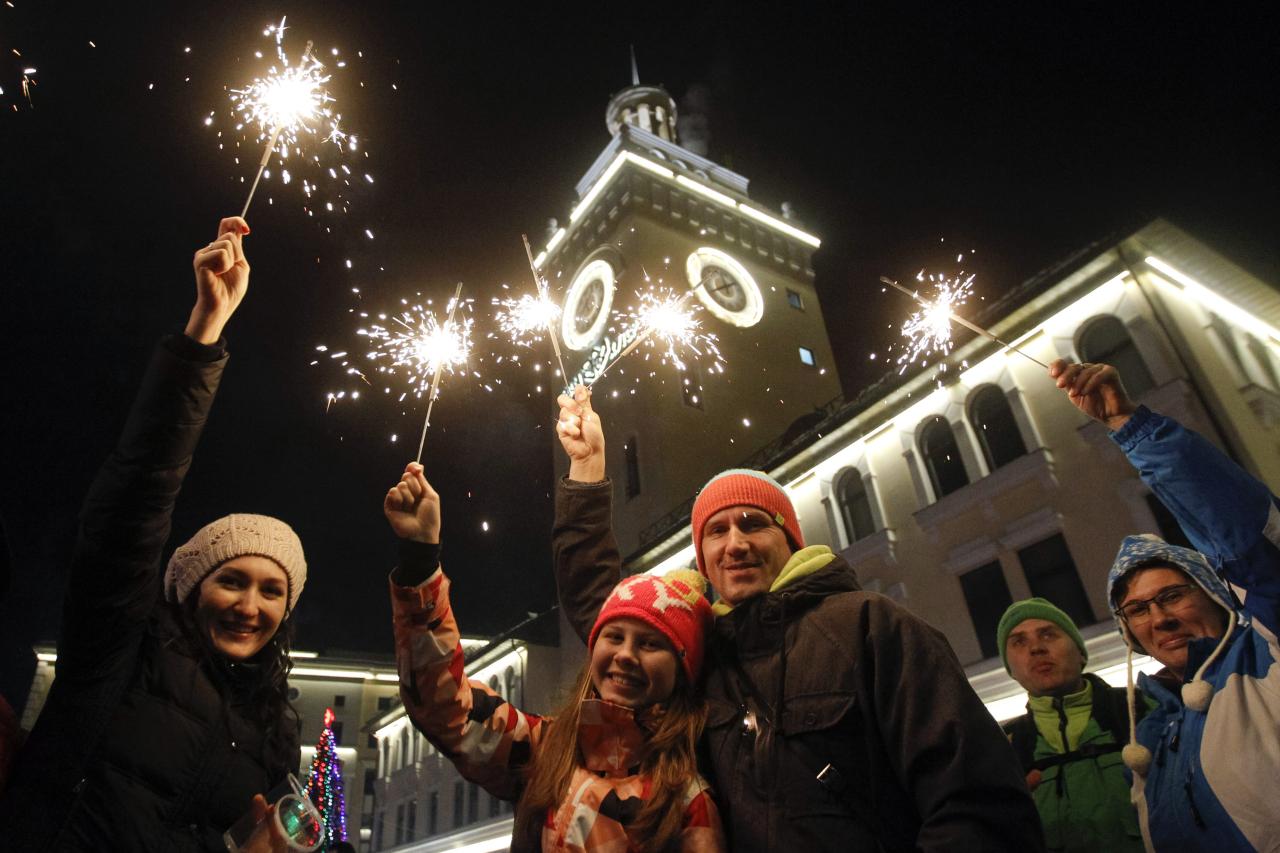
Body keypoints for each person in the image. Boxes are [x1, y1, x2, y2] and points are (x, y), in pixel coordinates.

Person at [552, 387, 1044, 852]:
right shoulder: (703, 655)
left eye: (753, 524)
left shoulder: (871, 626)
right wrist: (588, 471)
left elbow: (976, 799)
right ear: (703, 559)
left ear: (790, 540)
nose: (735, 544)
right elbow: (608, 611)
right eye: (716, 531)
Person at [0, 218, 309, 851]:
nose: (250, 606)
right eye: (232, 580)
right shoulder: (122, 645)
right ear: (190, 586)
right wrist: (203, 336)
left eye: (272, 590)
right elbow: (135, 499)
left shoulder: (272, 729)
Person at [383, 462, 726, 852]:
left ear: (682, 667)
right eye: (614, 636)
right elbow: (446, 708)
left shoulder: (689, 802)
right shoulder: (543, 748)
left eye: (650, 644)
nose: (625, 655)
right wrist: (420, 558)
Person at [1051, 359, 1280, 852]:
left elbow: (1243, 536)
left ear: (1214, 594)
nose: (1160, 619)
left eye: (1172, 595)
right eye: (1137, 610)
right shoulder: (1154, 734)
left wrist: (1130, 426)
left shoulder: (1269, 653)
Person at [997, 598, 1148, 851]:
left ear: (1080, 652)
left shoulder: (1143, 709)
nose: (1036, 648)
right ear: (1010, 669)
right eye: (1018, 642)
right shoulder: (999, 749)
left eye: (1048, 634)